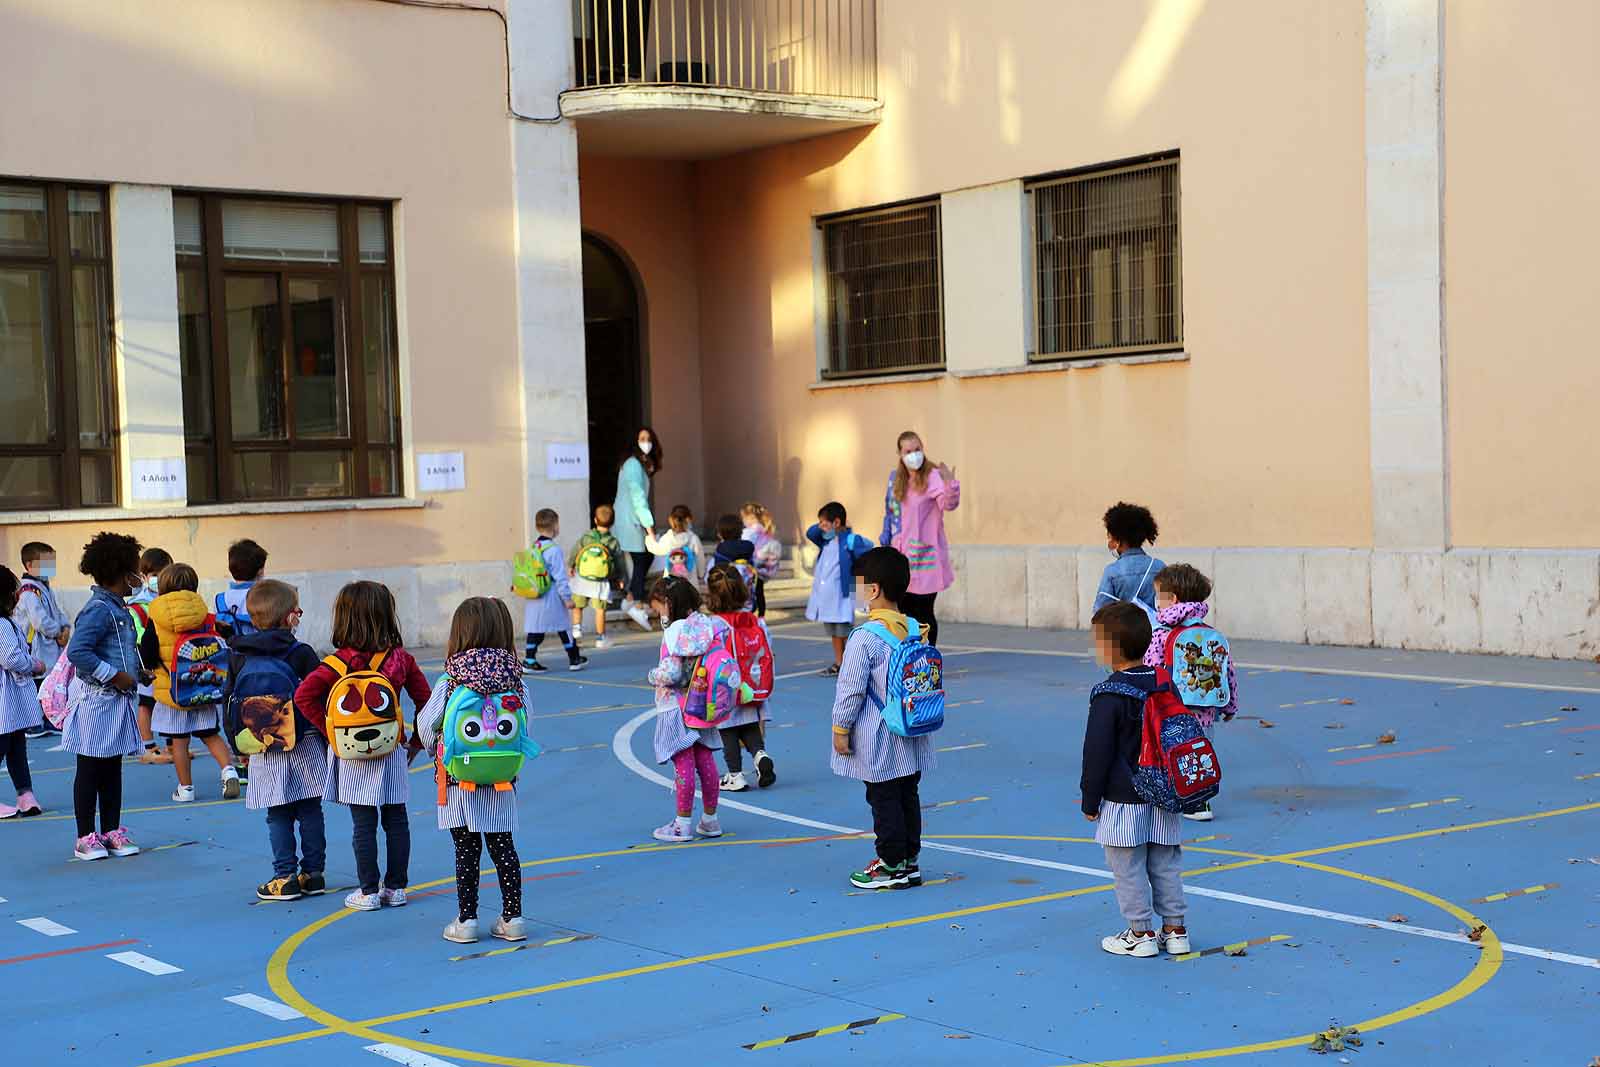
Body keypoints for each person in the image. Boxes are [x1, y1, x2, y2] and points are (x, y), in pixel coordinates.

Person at [294, 581, 431, 913]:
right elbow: (426, 701)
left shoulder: (335, 664)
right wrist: (415, 741)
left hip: (352, 754)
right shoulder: (400, 660)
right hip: (391, 750)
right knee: (396, 819)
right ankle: (396, 887)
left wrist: (332, 733)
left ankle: (368, 890)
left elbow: (303, 697)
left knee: (363, 824)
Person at [416, 597, 531, 945]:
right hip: (500, 783)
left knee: (466, 850)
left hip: (458, 783)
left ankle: (467, 920)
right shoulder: (516, 681)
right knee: (504, 848)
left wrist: (437, 748)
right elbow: (525, 731)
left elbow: (426, 725)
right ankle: (512, 918)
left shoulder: (451, 682)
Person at [1081, 601, 1189, 958]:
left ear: (1111, 648)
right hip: (1165, 791)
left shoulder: (1109, 694)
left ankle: (1140, 933)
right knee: (1165, 862)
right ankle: (1175, 929)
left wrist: (1089, 799)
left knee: (1127, 866)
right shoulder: (1163, 682)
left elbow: (1097, 752)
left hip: (1124, 796)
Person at [829, 546, 937, 890]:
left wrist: (840, 728)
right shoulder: (915, 628)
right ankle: (909, 860)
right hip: (912, 727)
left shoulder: (864, 639)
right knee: (908, 794)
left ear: (873, 590)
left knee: (883, 797)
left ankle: (891, 864)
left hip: (880, 733)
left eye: (859, 586)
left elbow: (851, 690)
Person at [225, 579, 326, 902]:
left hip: (263, 745)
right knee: (310, 808)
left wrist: (238, 744)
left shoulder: (239, 655)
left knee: (278, 812)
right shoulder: (302, 653)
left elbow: (229, 702)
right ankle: (313, 873)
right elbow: (319, 695)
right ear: (289, 617)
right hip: (304, 740)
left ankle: (284, 875)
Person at [62, 531, 146, 862]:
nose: (138, 578)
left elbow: (120, 651)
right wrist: (115, 676)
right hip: (96, 701)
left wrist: (136, 674)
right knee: (90, 768)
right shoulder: (98, 609)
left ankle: (111, 830)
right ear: (121, 573)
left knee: (112, 768)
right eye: (135, 571)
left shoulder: (118, 608)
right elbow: (78, 651)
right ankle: (85, 836)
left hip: (116, 700)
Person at [1143, 563, 1236, 823]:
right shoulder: (1210, 634)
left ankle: (1181, 799)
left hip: (1172, 711)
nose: (1156, 602)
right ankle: (1200, 800)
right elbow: (1228, 672)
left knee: (1173, 754)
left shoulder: (1162, 634)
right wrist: (1229, 706)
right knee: (1199, 752)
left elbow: (1151, 670)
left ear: (1172, 599)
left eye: (1158, 595)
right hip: (1205, 711)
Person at [139, 563, 240, 802]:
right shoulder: (203, 612)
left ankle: (185, 789)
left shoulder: (155, 614)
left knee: (179, 741)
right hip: (203, 685)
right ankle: (229, 771)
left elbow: (148, 652)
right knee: (210, 735)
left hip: (172, 691)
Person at [645, 576, 725, 843]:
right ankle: (710, 820)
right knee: (706, 759)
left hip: (675, 706)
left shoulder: (674, 631)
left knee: (683, 763)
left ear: (668, 603)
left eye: (658, 608)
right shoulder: (707, 625)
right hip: (703, 704)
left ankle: (682, 824)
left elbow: (671, 672)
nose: (658, 614)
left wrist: (653, 675)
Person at [881, 431, 960, 647]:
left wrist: (950, 485)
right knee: (904, 613)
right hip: (901, 557)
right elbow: (890, 512)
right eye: (908, 451)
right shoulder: (896, 480)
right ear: (900, 454)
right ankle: (909, 657)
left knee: (924, 612)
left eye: (917, 450)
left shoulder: (932, 476)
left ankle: (928, 657)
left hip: (925, 558)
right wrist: (886, 538)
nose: (913, 455)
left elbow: (947, 504)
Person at [706, 564, 774, 793]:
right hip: (752, 686)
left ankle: (734, 774)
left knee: (728, 732)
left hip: (727, 689)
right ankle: (760, 755)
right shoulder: (754, 621)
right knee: (750, 727)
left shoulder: (713, 625)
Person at [806, 502, 874, 676]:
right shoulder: (825, 540)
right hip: (827, 597)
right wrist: (824, 524)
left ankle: (854, 663)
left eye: (824, 523)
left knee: (846, 632)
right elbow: (810, 533)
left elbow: (864, 558)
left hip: (842, 596)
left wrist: (862, 596)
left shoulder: (850, 541)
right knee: (834, 632)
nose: (821, 527)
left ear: (836, 523)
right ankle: (839, 662)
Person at [0, 566, 45, 819]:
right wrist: (34, 665)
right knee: (4, 743)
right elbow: (10, 658)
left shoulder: (7, 623)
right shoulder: (2, 624)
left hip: (11, 697)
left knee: (17, 744)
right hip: (5, 695)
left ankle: (25, 794)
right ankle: (24, 793)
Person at [521, 509, 587, 673]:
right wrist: (567, 598)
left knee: (535, 628)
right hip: (551, 595)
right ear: (555, 526)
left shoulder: (532, 547)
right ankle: (574, 658)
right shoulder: (553, 550)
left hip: (535, 595)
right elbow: (560, 577)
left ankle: (529, 659)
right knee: (563, 627)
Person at [16, 541, 70, 738]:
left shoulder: (44, 587)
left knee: (50, 682)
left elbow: (58, 611)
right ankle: (32, 723)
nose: (50, 569)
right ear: (29, 565)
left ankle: (49, 719)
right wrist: (57, 632)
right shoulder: (29, 591)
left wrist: (65, 627)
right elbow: (39, 621)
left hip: (50, 645)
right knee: (36, 684)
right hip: (37, 645)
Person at [613, 427, 663, 629]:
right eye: (642, 438)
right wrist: (649, 526)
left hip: (630, 518)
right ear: (634, 441)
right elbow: (638, 497)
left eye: (649, 439)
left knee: (642, 559)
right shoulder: (634, 464)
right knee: (642, 558)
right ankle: (632, 601)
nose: (646, 442)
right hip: (631, 519)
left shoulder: (636, 464)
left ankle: (633, 600)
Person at [127, 547, 173, 764]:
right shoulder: (138, 605)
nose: (159, 579)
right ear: (144, 577)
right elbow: (138, 635)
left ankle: (172, 745)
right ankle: (149, 747)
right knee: (146, 703)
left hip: (169, 660)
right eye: (155, 575)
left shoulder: (171, 597)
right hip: (148, 662)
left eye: (164, 573)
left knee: (170, 701)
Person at [1095, 502, 1164, 624]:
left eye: (1111, 537)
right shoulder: (1159, 566)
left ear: (1120, 541)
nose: (1109, 543)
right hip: (1156, 638)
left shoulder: (1112, 571)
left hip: (1124, 639)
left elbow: (1100, 612)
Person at [568, 504, 626, 650]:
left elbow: (575, 551)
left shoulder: (586, 537)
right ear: (612, 523)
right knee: (600, 610)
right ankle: (601, 638)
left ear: (595, 520)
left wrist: (570, 566)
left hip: (581, 579)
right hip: (600, 582)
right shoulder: (612, 542)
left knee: (578, 606)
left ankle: (576, 634)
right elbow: (619, 562)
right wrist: (621, 579)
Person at [215, 538, 268, 639]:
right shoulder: (266, 596)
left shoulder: (219, 600)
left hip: (230, 653)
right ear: (260, 571)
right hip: (260, 652)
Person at [740, 502, 783, 618]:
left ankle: (750, 613)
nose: (743, 521)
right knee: (759, 592)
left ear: (751, 517)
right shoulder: (764, 531)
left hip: (752, 567)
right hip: (762, 568)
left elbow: (745, 547)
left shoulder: (750, 532)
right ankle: (761, 615)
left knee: (750, 592)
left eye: (744, 518)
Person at [646, 505, 706, 588]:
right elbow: (700, 558)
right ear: (688, 520)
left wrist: (649, 538)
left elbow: (657, 549)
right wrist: (701, 574)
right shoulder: (693, 538)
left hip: (671, 580)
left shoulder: (668, 538)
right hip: (690, 580)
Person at [712, 514, 759, 612]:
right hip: (747, 596)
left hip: (727, 598)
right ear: (741, 531)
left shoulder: (721, 549)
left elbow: (717, 572)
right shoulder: (749, 546)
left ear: (720, 533)